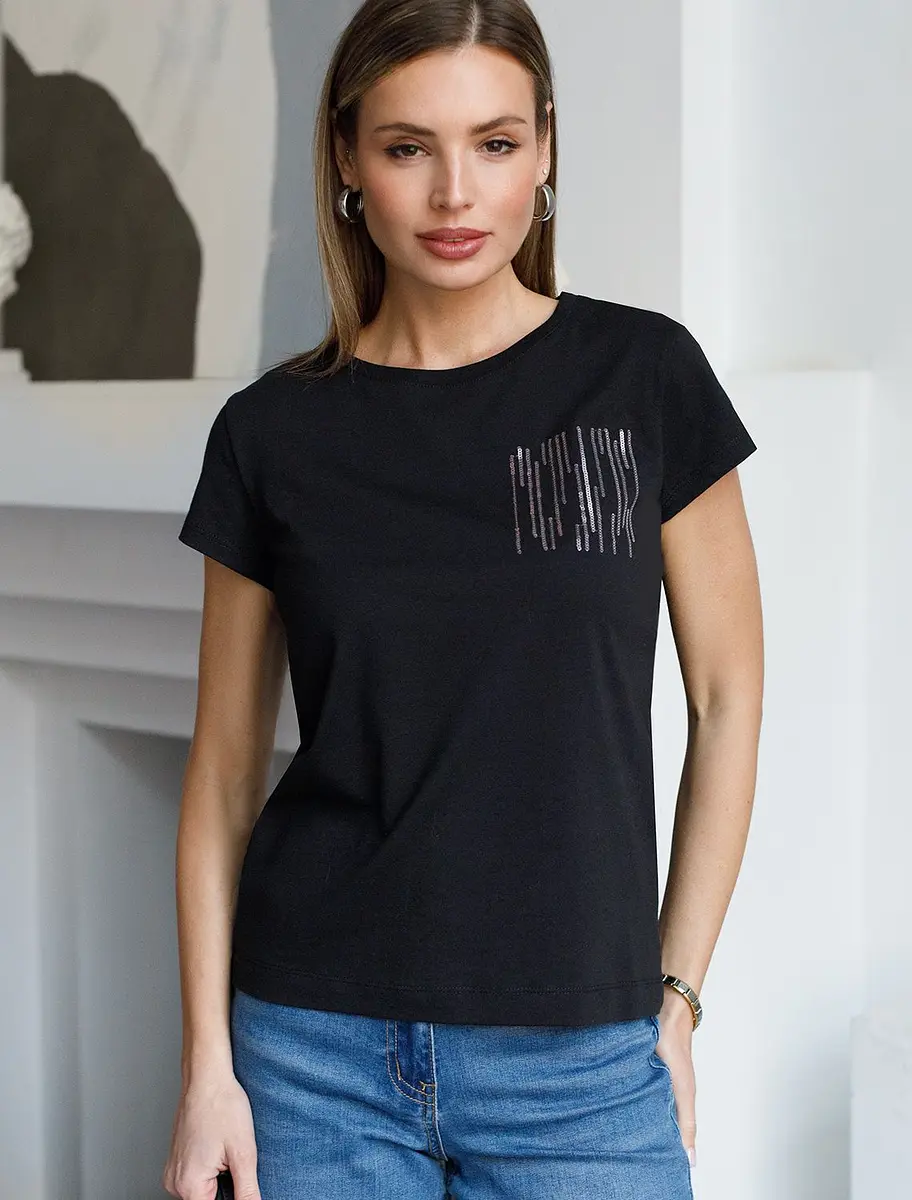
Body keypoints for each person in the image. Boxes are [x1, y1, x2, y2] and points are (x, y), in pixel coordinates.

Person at [162, 1, 763, 1197]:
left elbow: (727, 697)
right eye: (407, 147)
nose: (455, 193)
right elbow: (224, 774)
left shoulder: (641, 376)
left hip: (581, 1063)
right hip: (313, 1052)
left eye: (494, 143)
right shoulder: (271, 433)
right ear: (347, 160)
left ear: (544, 149)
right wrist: (207, 1070)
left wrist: (678, 998)